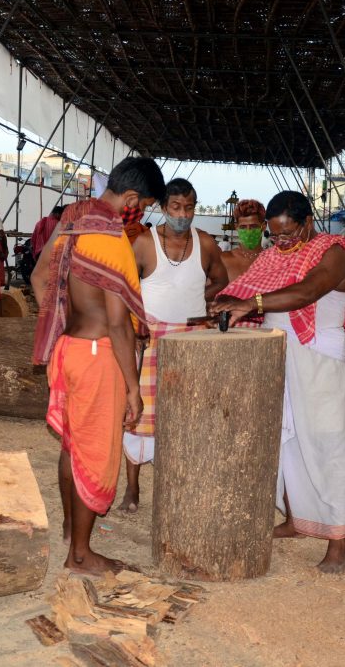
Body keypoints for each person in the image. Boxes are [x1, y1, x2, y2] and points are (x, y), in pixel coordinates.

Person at [211, 190, 345, 574]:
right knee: (285, 439)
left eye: (288, 234)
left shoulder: (334, 250)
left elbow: (306, 292)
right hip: (278, 352)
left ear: (308, 223)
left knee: (327, 441)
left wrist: (252, 305)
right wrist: (224, 303)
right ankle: (296, 520)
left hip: (317, 354)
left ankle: (339, 539)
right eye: (274, 235)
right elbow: (245, 290)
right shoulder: (273, 255)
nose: (280, 243)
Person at [30, 156, 165, 575]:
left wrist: (58, 321)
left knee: (72, 446)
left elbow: (37, 278)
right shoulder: (111, 239)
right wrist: (132, 388)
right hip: (96, 355)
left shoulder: (72, 222)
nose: (140, 216)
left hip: (68, 349)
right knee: (95, 453)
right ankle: (82, 556)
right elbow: (118, 324)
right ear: (128, 198)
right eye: (141, 207)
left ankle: (73, 531)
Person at [120, 178, 229, 512]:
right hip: (150, 338)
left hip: (193, 338)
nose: (183, 214)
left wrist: (201, 299)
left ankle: (181, 486)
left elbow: (221, 281)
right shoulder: (143, 243)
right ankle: (133, 489)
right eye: (176, 207)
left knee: (188, 415)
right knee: (139, 417)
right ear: (164, 208)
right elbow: (126, 290)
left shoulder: (206, 243)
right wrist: (135, 326)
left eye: (190, 207)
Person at [220, 198, 267, 282]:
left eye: (253, 227)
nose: (248, 231)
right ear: (236, 227)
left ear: (263, 226)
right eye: (243, 227)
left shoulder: (272, 260)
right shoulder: (224, 259)